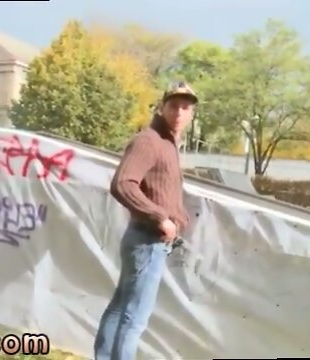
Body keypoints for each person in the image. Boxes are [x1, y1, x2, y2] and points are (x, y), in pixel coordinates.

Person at [93, 82, 198, 360]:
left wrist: (176, 216)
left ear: (192, 115)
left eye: (185, 107)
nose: (179, 112)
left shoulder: (168, 144)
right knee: (134, 318)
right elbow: (123, 184)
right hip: (147, 240)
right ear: (162, 107)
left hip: (146, 239)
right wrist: (161, 217)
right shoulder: (149, 141)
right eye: (173, 105)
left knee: (121, 308)